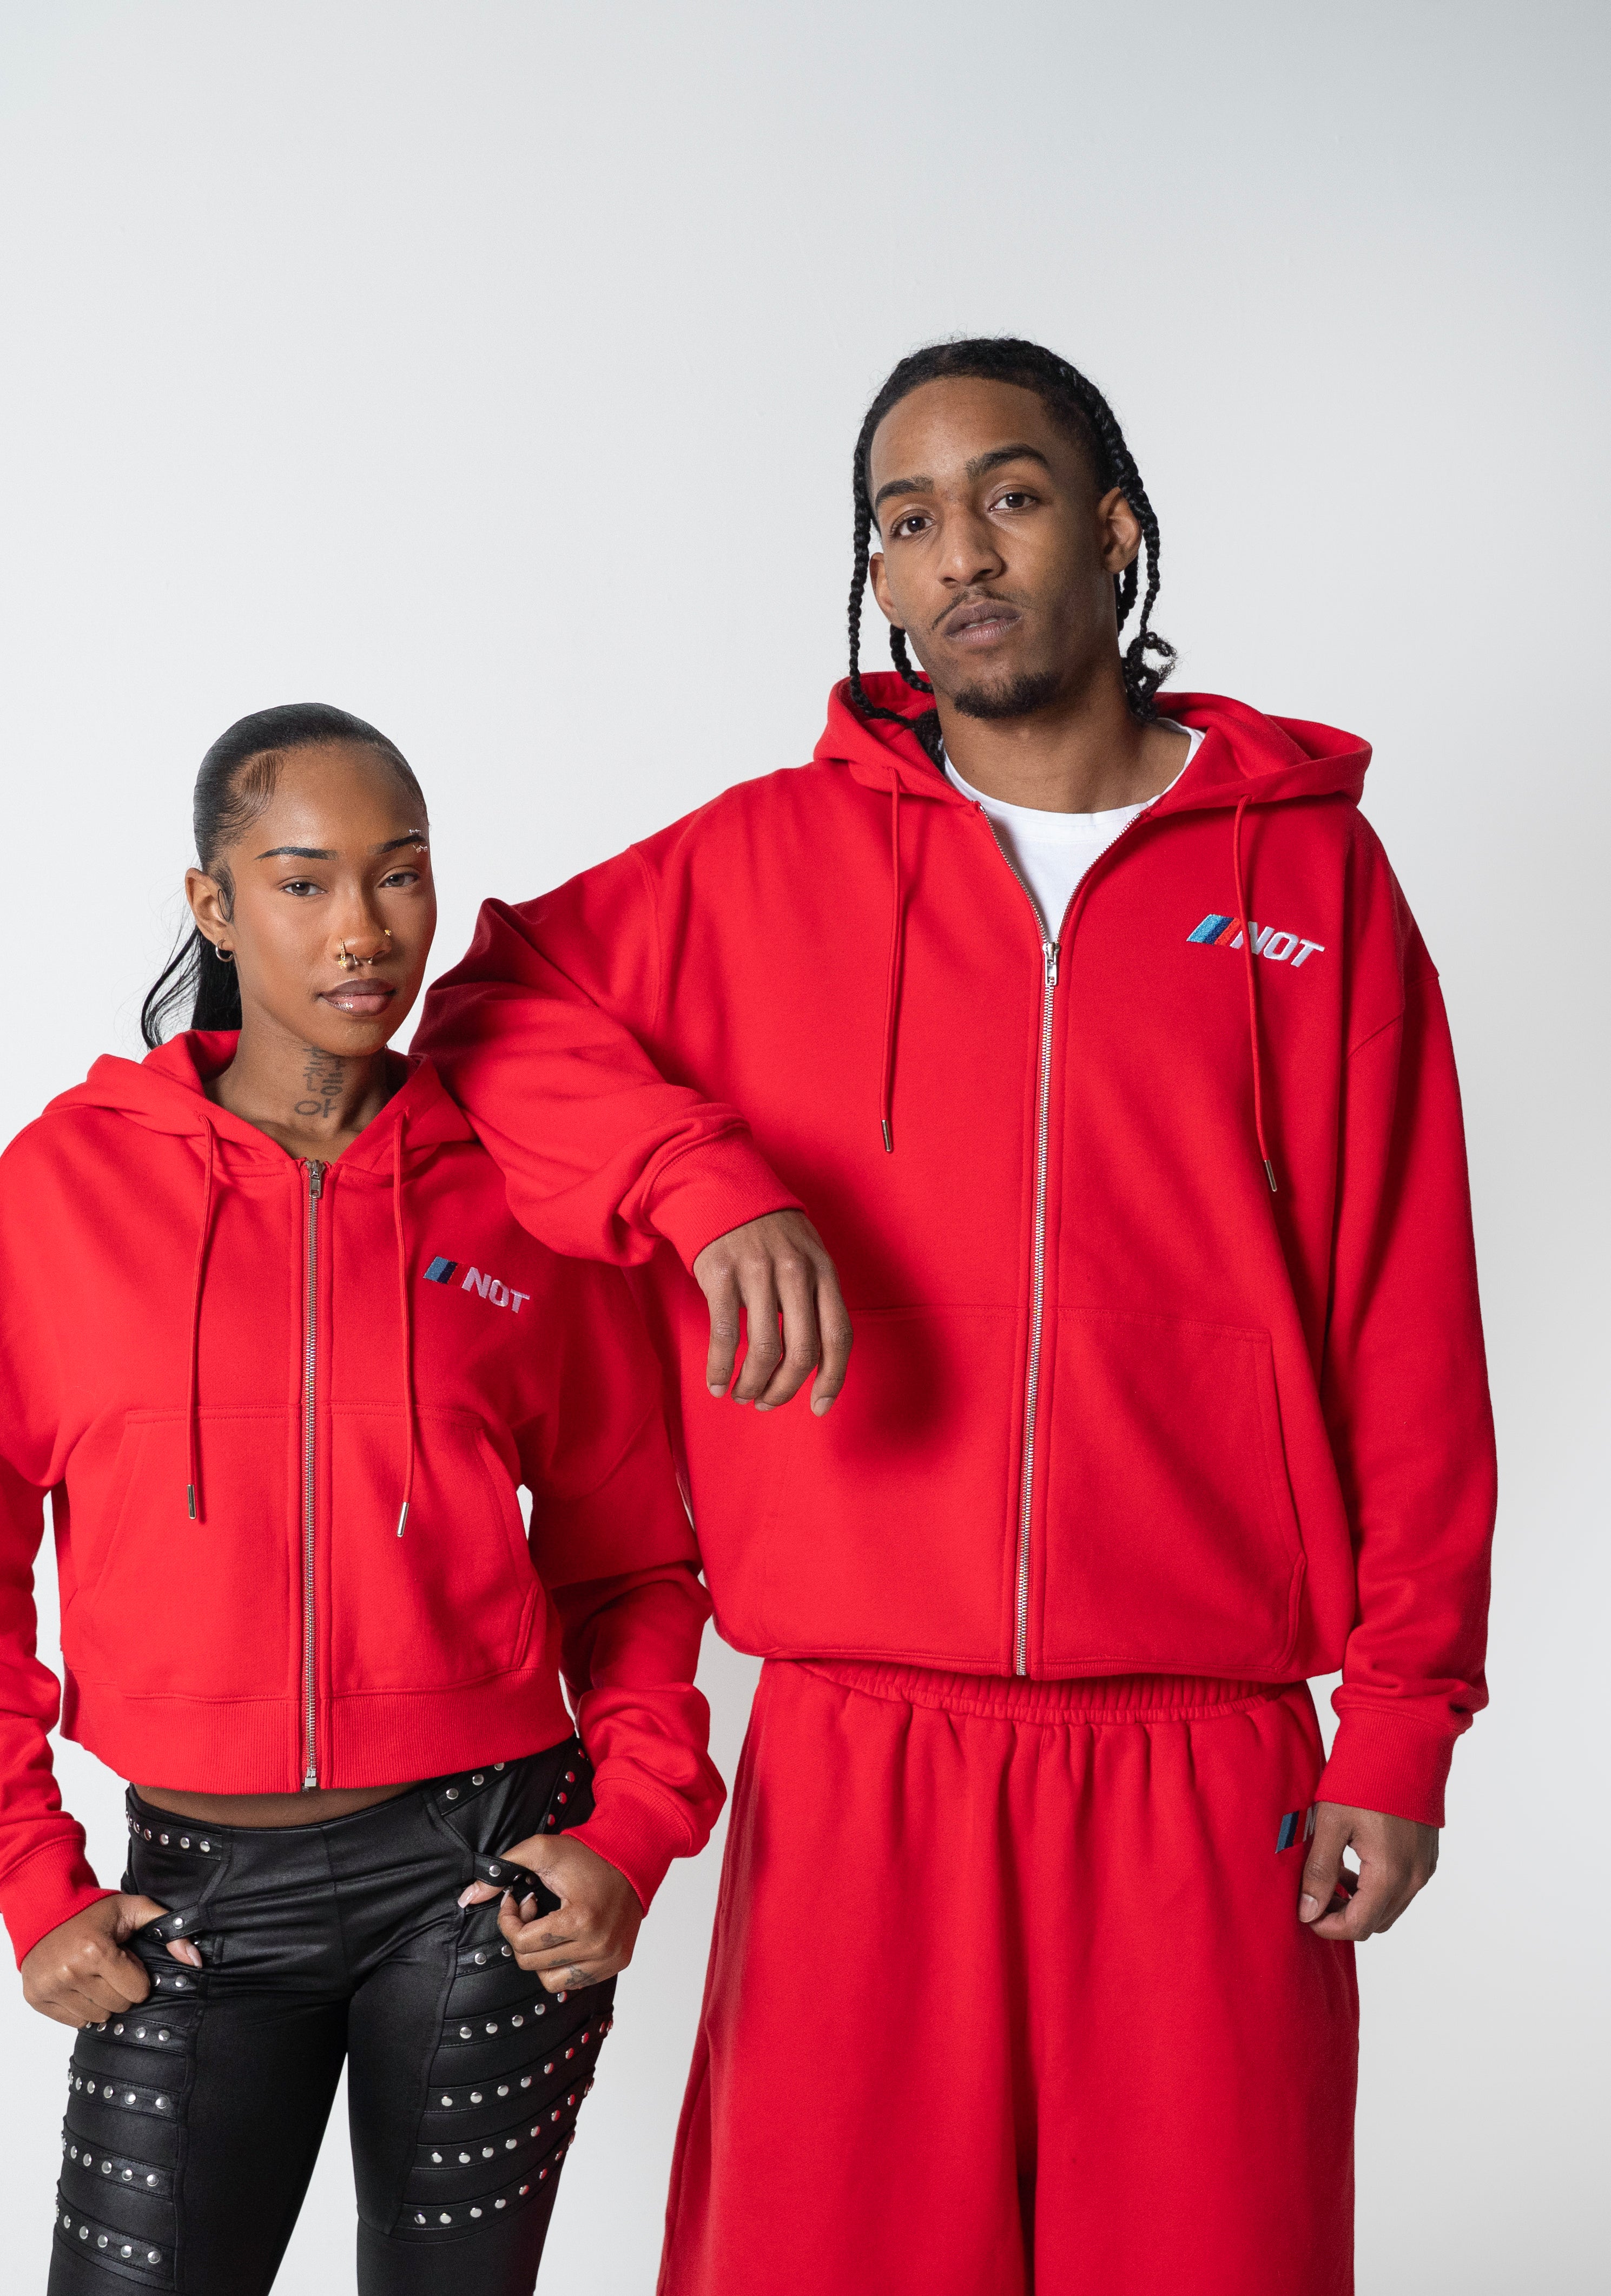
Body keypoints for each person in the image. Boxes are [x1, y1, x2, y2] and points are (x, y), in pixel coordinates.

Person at [414, 339, 1496, 2295]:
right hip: (860, 1742)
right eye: (903, 522)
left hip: (1201, 1755)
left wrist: (1401, 1722)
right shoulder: (762, 857)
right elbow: (491, 1012)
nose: (956, 557)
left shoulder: (1312, 879)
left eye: (1006, 497)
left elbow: (1405, 1324)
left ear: (1115, 528)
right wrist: (701, 1177)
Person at [0, 703, 725, 2296]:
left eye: (399, 876)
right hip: (192, 1894)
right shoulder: (68, 1181)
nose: (363, 929)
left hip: (486, 1878)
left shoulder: (515, 1186)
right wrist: (25, 1870)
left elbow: (632, 1560)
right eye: (302, 882)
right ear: (212, 904)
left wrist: (629, 1827)